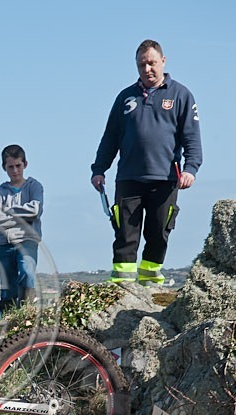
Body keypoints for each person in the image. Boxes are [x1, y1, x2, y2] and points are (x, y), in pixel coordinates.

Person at [91, 39, 202, 285]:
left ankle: (150, 284)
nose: (147, 69)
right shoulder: (125, 98)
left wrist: (190, 169)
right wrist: (99, 169)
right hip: (129, 178)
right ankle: (122, 285)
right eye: (142, 65)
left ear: (163, 61)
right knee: (125, 235)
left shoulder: (181, 95)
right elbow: (110, 137)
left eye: (151, 63)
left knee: (158, 234)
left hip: (166, 179)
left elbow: (192, 137)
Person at [0, 144, 44, 314]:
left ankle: (26, 314)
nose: (15, 170)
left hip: (28, 240)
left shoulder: (35, 187)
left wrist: (10, 212)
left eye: (18, 165)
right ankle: (7, 322)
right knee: (8, 288)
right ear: (4, 167)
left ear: (25, 164)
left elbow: (35, 210)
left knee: (27, 274)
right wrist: (22, 217)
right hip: (4, 243)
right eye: (10, 166)